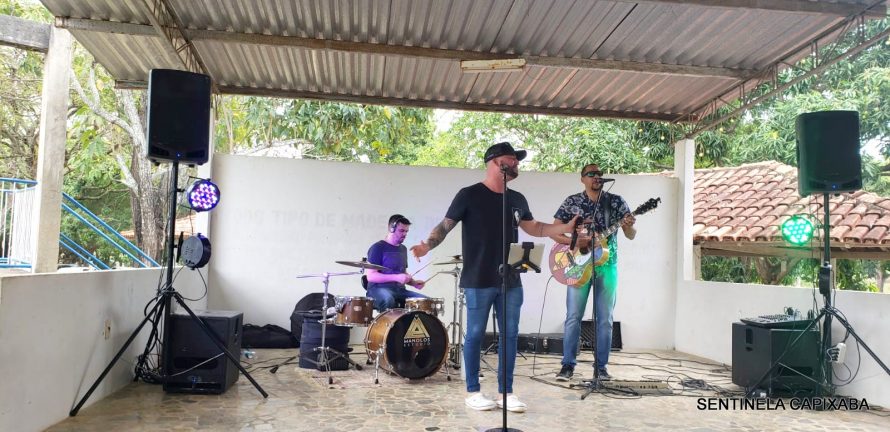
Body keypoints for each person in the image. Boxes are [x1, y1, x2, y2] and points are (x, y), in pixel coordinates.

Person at [410, 142, 577, 413]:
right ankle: (473, 391)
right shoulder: (469, 195)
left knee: (510, 336)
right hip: (478, 278)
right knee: (475, 334)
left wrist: (565, 227)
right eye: (513, 159)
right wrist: (427, 245)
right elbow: (445, 225)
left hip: (511, 279)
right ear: (496, 161)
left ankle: (506, 393)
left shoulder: (517, 198)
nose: (517, 164)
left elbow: (535, 227)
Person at [552, 164, 636, 382]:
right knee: (573, 317)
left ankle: (601, 368)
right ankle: (567, 366)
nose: (597, 177)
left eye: (599, 174)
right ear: (582, 179)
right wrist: (575, 243)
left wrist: (628, 225)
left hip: (607, 266)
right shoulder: (572, 202)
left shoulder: (615, 201)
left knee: (605, 319)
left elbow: (631, 235)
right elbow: (555, 231)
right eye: (591, 174)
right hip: (578, 265)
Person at [365, 214, 427, 311]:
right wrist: (397, 277)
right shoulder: (378, 247)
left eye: (406, 231)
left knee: (425, 302)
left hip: (400, 290)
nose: (404, 234)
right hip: (377, 289)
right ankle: (388, 321)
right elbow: (371, 276)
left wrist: (413, 283)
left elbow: (402, 273)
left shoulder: (403, 249)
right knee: (388, 300)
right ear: (391, 229)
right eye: (401, 230)